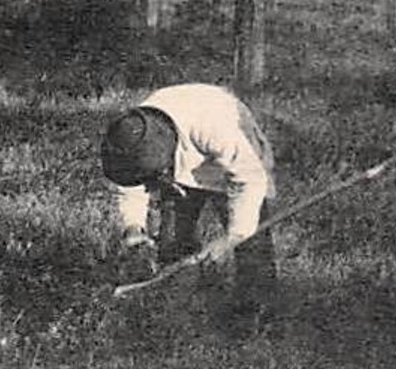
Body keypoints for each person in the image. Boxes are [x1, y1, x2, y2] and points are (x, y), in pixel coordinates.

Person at [99, 83, 280, 333]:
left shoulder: (215, 126)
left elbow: (249, 178)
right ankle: (176, 317)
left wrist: (232, 238)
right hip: (181, 166)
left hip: (235, 168)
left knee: (252, 245)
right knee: (173, 240)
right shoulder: (133, 134)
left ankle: (257, 321)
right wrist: (133, 228)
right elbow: (129, 183)